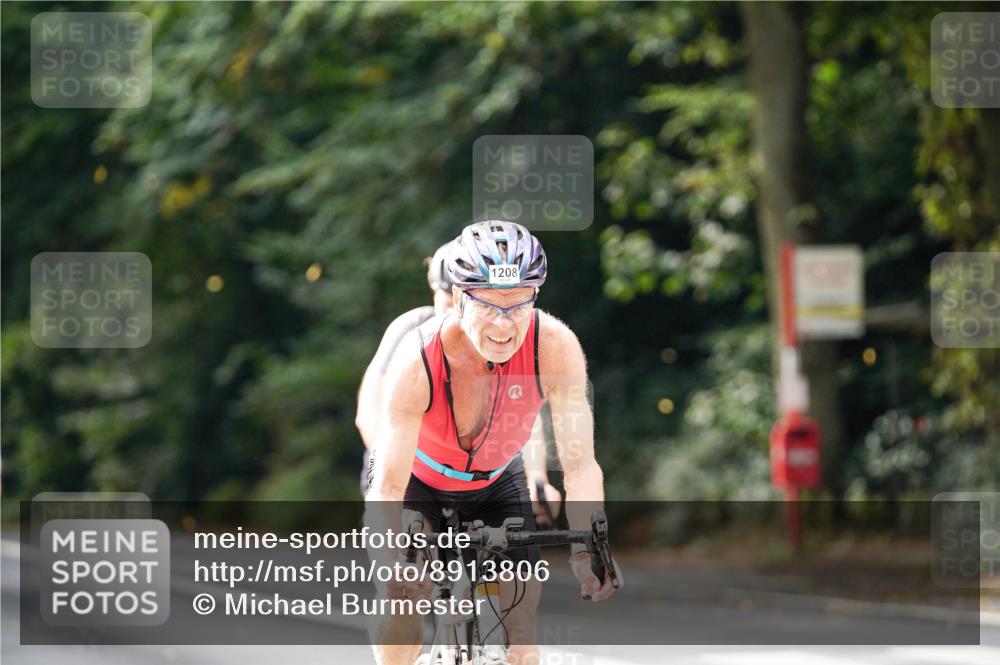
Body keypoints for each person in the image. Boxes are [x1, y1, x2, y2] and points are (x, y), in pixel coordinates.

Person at [366, 221, 622, 665]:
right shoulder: (418, 361)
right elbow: (387, 487)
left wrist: (587, 549)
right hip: (416, 481)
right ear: (461, 299)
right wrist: (392, 559)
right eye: (489, 305)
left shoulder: (556, 346)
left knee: (522, 641)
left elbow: (580, 466)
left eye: (519, 304)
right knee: (402, 600)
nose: (505, 325)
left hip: (497, 479)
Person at [356, 242, 562, 525]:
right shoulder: (412, 330)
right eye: (449, 303)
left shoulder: (497, 339)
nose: (459, 314)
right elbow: (369, 410)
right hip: (410, 457)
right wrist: (396, 470)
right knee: (408, 542)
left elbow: (523, 413)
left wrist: (537, 478)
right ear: (437, 292)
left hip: (474, 470)